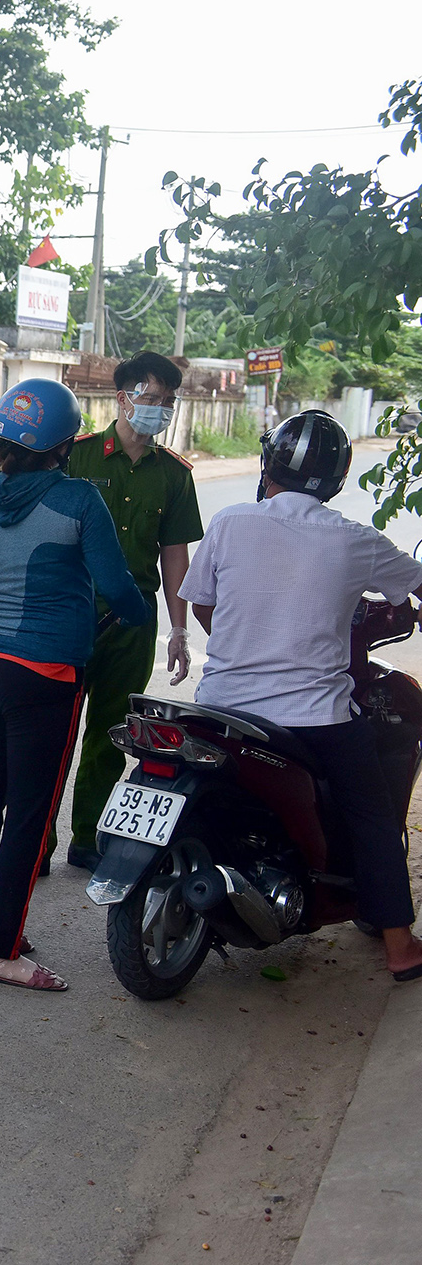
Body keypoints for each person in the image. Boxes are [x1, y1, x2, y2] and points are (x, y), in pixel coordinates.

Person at [179, 410, 422, 981]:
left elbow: (203, 603)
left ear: (268, 469)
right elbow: (413, 586)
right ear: (338, 482)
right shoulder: (356, 540)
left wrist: (248, 645)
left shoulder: (232, 521)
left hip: (220, 708)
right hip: (314, 718)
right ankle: (399, 946)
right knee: (375, 816)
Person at [0, 379, 151, 991]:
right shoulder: (79, 501)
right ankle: (0, 953)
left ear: (1, 438)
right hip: (46, 674)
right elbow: (120, 592)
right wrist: (134, 615)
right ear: (65, 446)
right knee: (30, 812)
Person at [61, 351, 204, 872]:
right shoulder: (75, 458)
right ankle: (33, 846)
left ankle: (86, 839)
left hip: (132, 624)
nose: (160, 409)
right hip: (69, 616)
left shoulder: (173, 474)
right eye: (151, 397)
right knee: (54, 733)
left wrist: (180, 629)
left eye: (169, 401)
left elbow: (174, 556)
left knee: (107, 736)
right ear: (122, 398)